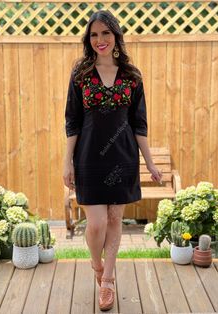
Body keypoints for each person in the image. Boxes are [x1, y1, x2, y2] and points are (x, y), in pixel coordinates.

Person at [63, 10, 162, 311]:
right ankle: (97, 264)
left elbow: (139, 125)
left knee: (115, 219)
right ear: (88, 39)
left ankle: (107, 281)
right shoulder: (80, 74)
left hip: (123, 158)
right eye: (94, 34)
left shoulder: (132, 76)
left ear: (116, 36)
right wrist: (67, 161)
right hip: (89, 159)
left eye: (106, 33)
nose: (100, 40)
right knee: (95, 224)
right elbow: (72, 122)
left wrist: (150, 162)